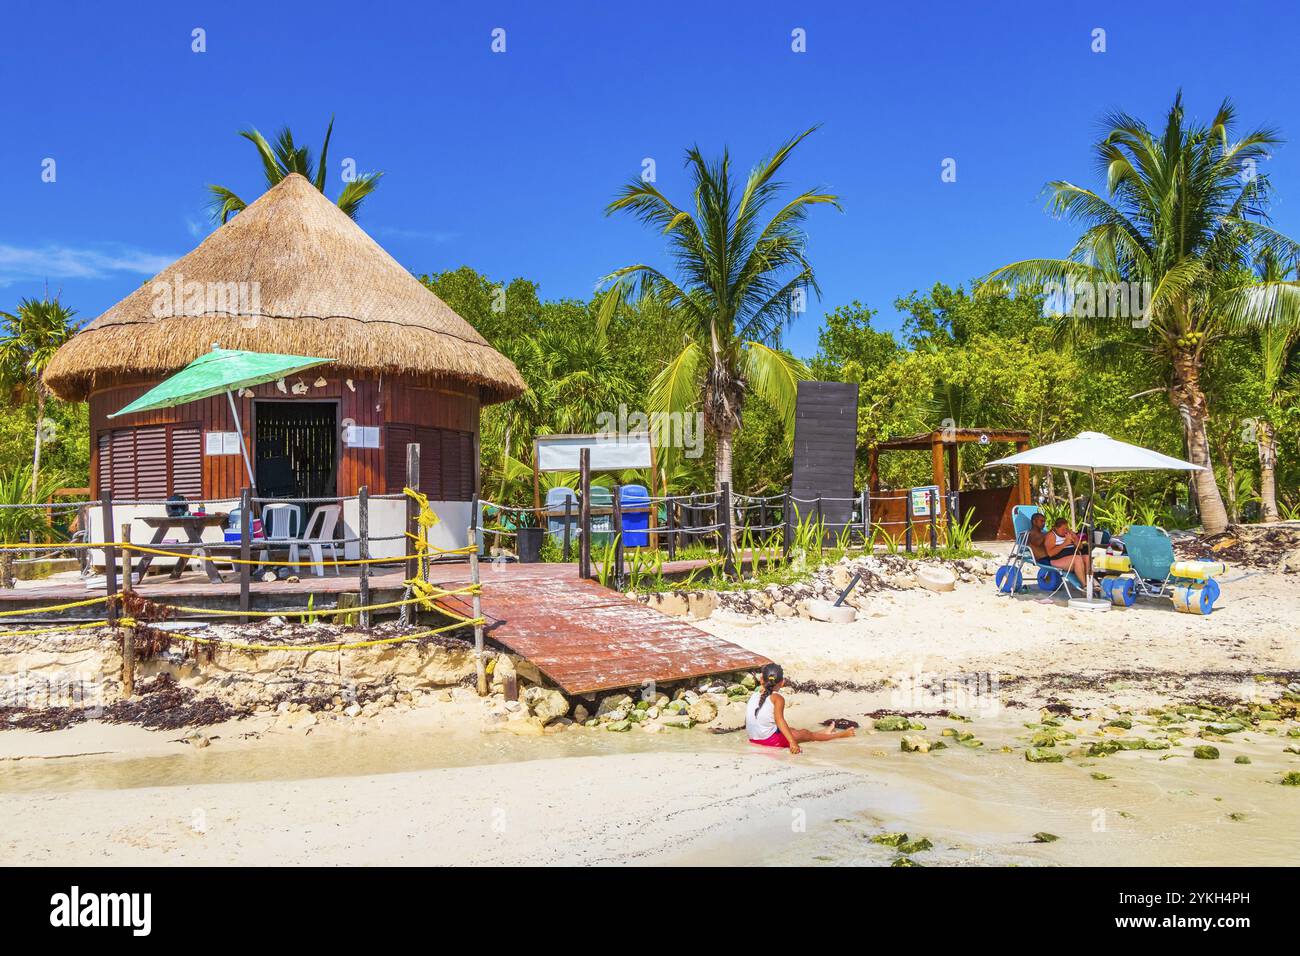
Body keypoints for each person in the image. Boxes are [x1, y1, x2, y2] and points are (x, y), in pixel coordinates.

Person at [746, 663, 855, 754]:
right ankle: (840, 735)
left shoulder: (756, 693)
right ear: (782, 682)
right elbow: (780, 721)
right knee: (805, 733)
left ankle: (823, 733)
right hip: (768, 741)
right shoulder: (777, 698)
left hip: (753, 737)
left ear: (761, 680)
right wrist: (792, 743)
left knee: (792, 730)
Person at [1027, 513, 1091, 580]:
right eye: (1041, 521)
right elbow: (1037, 543)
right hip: (1045, 559)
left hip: (1056, 556)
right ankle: (1085, 583)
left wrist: (1073, 538)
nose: (1044, 524)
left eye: (1044, 521)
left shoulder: (1043, 533)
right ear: (1034, 521)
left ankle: (1088, 581)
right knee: (1077, 560)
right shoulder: (1031, 534)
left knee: (1086, 558)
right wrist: (1049, 534)